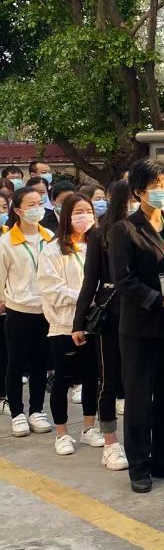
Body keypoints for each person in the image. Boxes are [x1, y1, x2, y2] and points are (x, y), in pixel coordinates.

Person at [111, 159, 164, 492]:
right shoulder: (124, 230)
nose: (162, 191)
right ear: (138, 192)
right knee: (138, 396)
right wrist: (161, 301)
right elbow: (124, 280)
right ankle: (139, 466)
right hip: (141, 327)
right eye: (155, 186)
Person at [39, 194, 111, 455]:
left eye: (89, 211)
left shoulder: (98, 245)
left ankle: (89, 427)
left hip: (94, 322)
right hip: (64, 324)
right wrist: (85, 297)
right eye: (79, 212)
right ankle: (62, 432)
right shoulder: (53, 250)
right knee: (63, 378)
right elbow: (51, 289)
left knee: (92, 377)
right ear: (66, 216)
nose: (85, 217)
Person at [72, 180, 128, 470]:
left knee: (138, 382)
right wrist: (78, 322)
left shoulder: (152, 228)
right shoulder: (100, 234)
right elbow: (90, 281)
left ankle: (139, 441)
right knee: (108, 380)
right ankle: (110, 442)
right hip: (111, 316)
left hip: (144, 316)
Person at [0, 185, 56, 436]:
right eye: (31, 205)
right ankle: (17, 413)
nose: (37, 208)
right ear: (19, 210)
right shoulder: (6, 242)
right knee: (16, 363)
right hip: (19, 310)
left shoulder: (50, 237)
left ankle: (36, 410)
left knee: (40, 363)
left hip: (46, 310)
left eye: (40, 203)